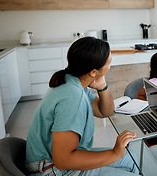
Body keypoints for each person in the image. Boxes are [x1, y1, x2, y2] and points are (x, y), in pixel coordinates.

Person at [25, 37, 138, 176]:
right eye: (109, 62)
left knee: (130, 157)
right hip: (51, 169)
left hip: (53, 161)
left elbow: (105, 111)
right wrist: (114, 153)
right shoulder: (72, 97)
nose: (110, 66)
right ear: (93, 71)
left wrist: (102, 86)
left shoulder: (72, 81)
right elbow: (63, 160)